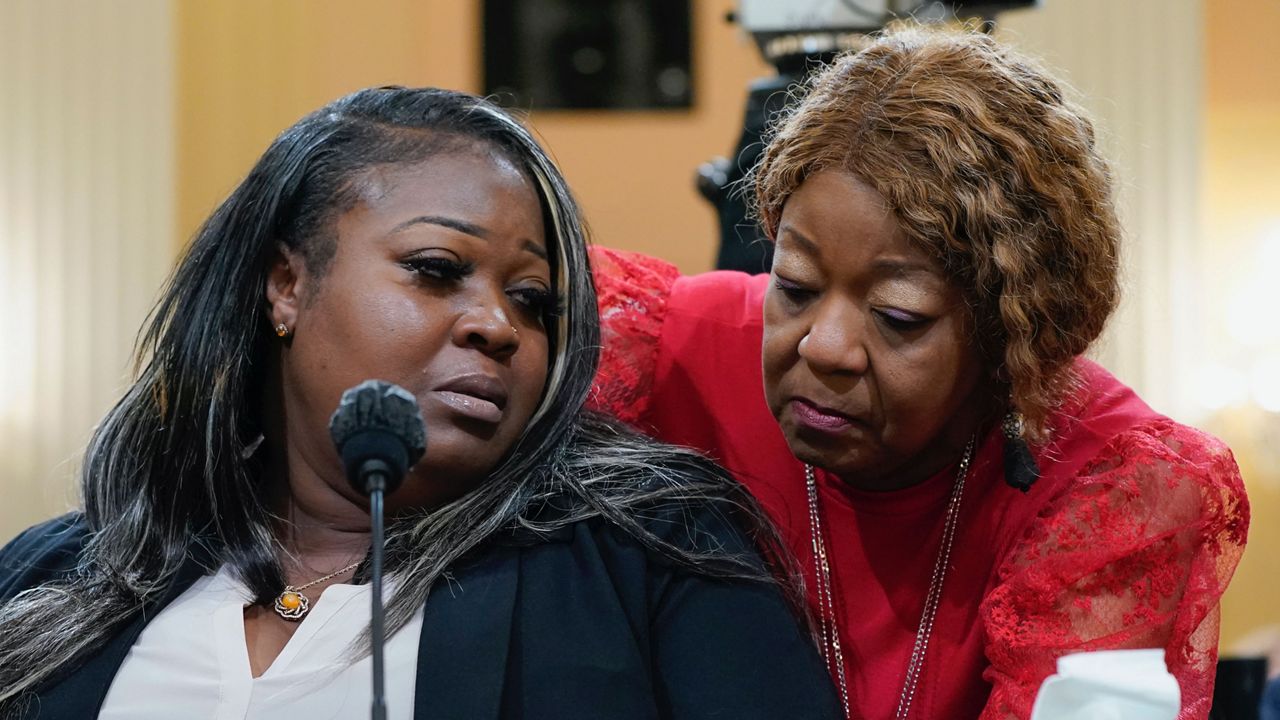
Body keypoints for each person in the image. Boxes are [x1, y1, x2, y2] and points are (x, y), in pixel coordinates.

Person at [0, 87, 842, 719]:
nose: (497, 326)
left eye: (534, 303)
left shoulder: (652, 553)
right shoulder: (52, 578)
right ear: (286, 284)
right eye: (437, 270)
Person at [589, 26, 1249, 720]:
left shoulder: (1111, 488)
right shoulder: (666, 351)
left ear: (1010, 337)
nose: (824, 346)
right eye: (796, 285)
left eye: (898, 316)